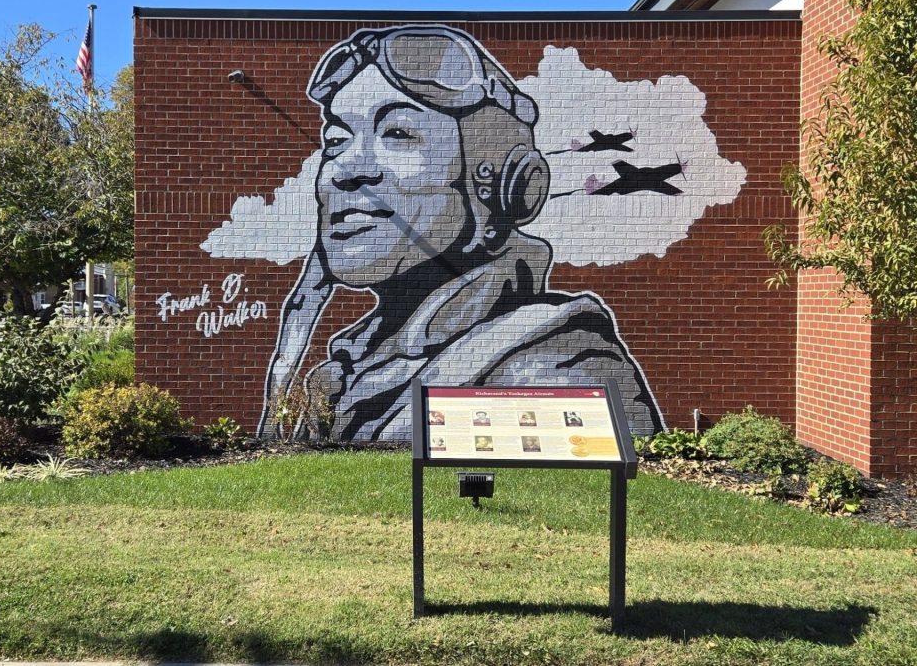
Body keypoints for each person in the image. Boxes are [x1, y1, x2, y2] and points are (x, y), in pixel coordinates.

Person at [260, 25, 664, 441]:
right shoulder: (352, 365)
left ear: (501, 186)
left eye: (398, 134)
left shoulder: (553, 364)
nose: (346, 169)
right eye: (336, 140)